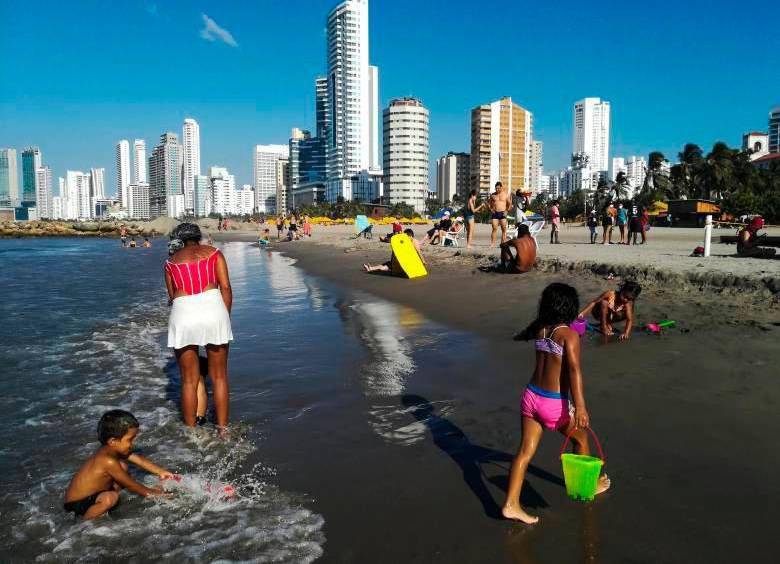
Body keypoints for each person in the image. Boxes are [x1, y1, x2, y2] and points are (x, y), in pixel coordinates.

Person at [502, 284, 610, 523]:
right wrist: (580, 407)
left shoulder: (540, 329)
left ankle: (510, 504)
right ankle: (587, 487)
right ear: (568, 306)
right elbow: (574, 371)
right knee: (581, 438)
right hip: (552, 403)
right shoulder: (568, 335)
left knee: (524, 452)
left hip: (530, 397)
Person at [165, 223, 233, 430]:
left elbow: (171, 296)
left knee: (188, 381)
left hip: (183, 311)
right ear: (199, 237)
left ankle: (191, 433)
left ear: (179, 239)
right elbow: (226, 288)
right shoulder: (214, 253)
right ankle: (222, 430)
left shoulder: (170, 262)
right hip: (213, 308)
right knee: (219, 377)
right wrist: (225, 317)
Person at [64, 410, 173, 520]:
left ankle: (106, 504)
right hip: (78, 504)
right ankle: (84, 523)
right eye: (130, 440)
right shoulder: (107, 461)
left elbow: (138, 459)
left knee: (122, 466)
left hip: (95, 495)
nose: (132, 444)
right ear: (112, 441)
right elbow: (131, 485)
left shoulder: (110, 450)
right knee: (110, 498)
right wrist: (153, 493)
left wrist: (161, 472)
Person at [488, 181, 513, 247]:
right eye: (496, 188)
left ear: (501, 188)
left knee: (504, 229)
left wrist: (507, 211)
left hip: (503, 213)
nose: (497, 190)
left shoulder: (505, 194)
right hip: (495, 213)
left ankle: (503, 243)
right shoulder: (493, 195)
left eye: (498, 188)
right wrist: (491, 209)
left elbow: (510, 204)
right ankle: (492, 244)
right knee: (494, 228)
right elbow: (489, 203)